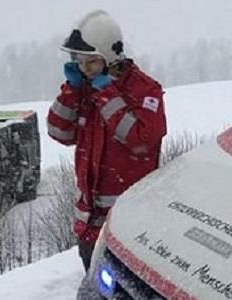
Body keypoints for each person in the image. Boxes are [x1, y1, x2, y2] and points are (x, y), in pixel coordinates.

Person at [47, 10, 167, 271]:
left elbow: (141, 140)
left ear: (110, 56)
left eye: (91, 61)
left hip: (129, 226)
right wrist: (71, 90)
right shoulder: (83, 88)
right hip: (90, 224)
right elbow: (59, 132)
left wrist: (107, 95)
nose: (84, 69)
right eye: (79, 61)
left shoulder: (145, 91)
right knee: (96, 289)